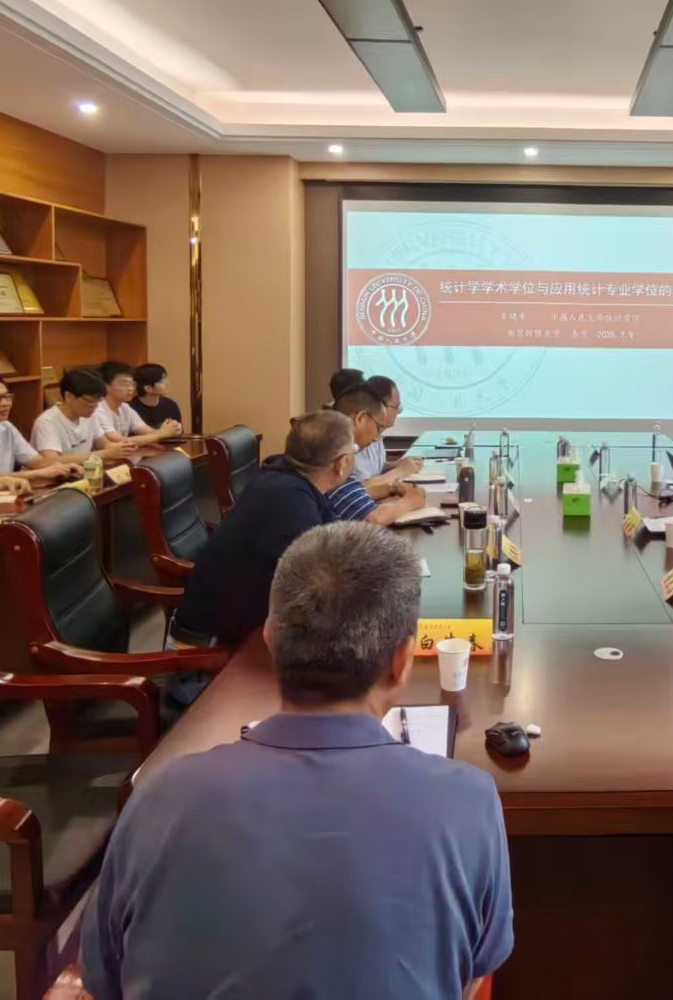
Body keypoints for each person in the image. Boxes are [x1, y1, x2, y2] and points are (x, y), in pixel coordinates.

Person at [82, 523, 513, 1000]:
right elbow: (472, 970)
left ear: (270, 639)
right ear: (403, 661)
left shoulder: (159, 795)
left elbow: (104, 976)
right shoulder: (467, 802)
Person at [171, 411, 350, 644]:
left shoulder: (287, 478)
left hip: (245, 624)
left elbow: (338, 534)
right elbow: (318, 583)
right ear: (342, 464)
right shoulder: (290, 501)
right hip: (213, 646)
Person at [325, 385, 425, 525]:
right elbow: (373, 519)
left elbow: (356, 492)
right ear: (361, 418)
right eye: (378, 428)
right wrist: (410, 502)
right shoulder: (333, 459)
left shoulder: (335, 450)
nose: (376, 439)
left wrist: (391, 488)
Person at [32, 369, 126, 462]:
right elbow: (51, 461)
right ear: (69, 396)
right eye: (90, 401)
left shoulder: (89, 415)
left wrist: (125, 447)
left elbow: (103, 443)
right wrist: (105, 454)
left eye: (98, 401)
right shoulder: (47, 422)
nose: (95, 406)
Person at [354, 375, 422, 487]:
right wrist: (400, 471)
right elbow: (362, 488)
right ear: (381, 406)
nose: (398, 412)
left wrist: (397, 465)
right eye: (396, 407)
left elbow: (374, 470)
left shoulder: (377, 432)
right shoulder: (358, 439)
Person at [95, 362, 182, 445]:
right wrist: (162, 433)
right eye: (124, 384)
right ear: (106, 386)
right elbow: (119, 441)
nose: (130, 388)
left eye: (132, 384)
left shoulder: (125, 408)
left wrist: (171, 429)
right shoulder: (98, 409)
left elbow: (149, 432)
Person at [131, 363, 184, 431]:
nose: (167, 383)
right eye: (161, 381)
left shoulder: (171, 405)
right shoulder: (131, 408)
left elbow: (179, 432)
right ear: (148, 388)